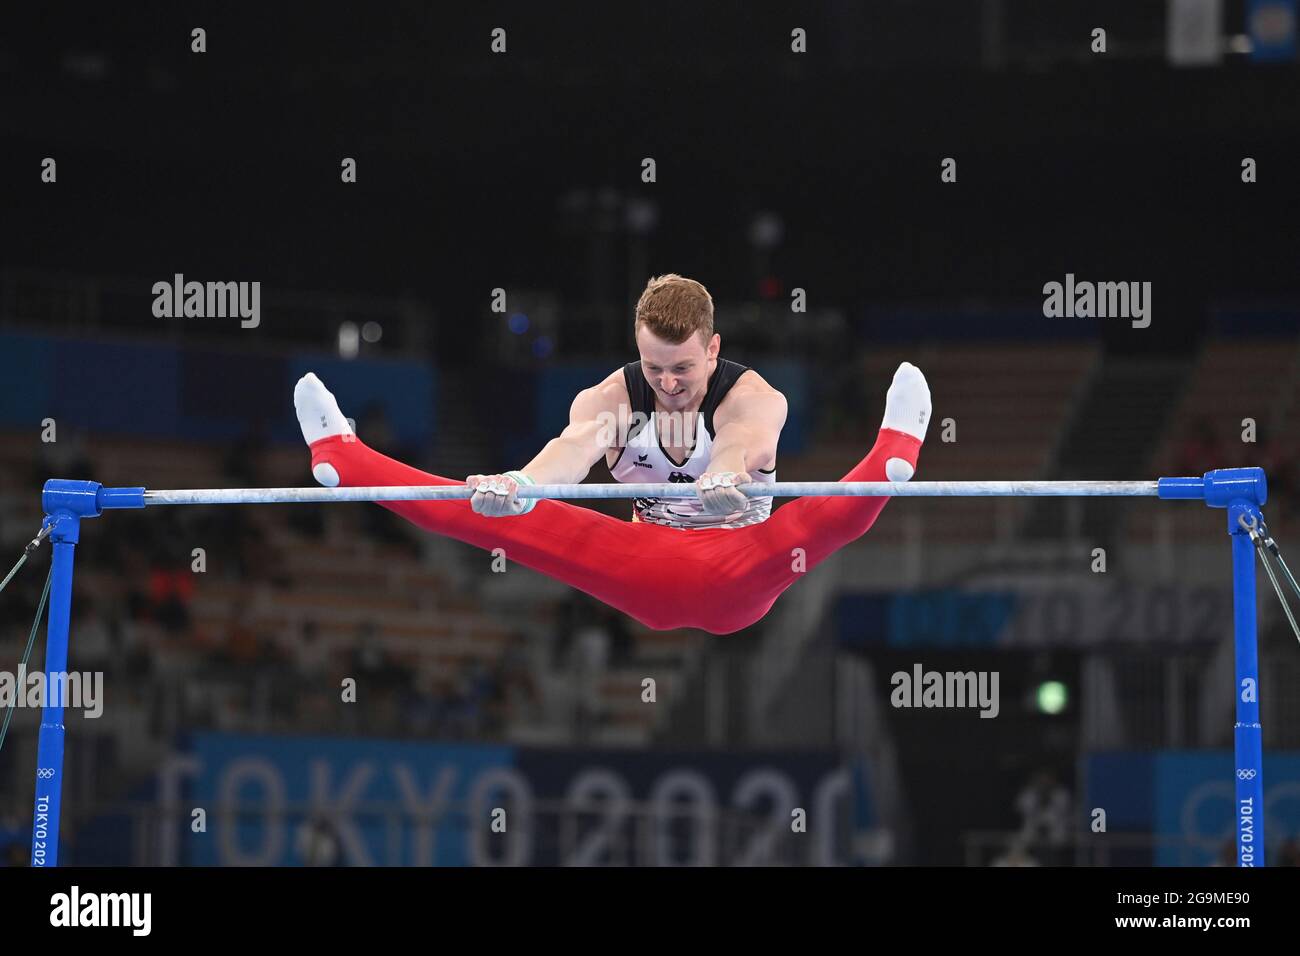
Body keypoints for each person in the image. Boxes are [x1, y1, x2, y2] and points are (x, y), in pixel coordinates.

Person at [293, 274, 931, 634]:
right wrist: (522, 485)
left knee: (818, 518)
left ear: (713, 351)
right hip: (643, 566)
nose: (669, 383)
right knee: (489, 513)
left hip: (741, 566)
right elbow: (573, 449)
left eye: (682, 367)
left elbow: (743, 442)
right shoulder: (613, 398)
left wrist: (727, 474)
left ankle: (893, 451)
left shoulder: (754, 397)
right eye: (654, 367)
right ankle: (342, 458)